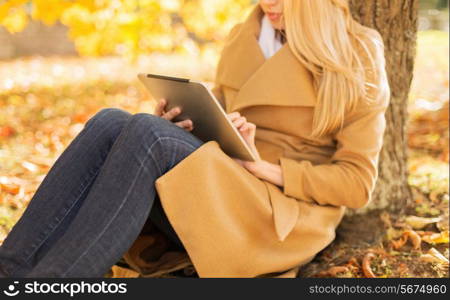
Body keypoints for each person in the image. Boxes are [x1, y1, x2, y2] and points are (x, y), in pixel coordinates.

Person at [0, 0, 390, 278]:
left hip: (280, 213)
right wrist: (184, 123)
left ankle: (55, 281)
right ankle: (9, 269)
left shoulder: (356, 51)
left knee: (148, 136)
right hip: (230, 179)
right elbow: (221, 118)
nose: (268, 4)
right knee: (111, 122)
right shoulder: (246, 35)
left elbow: (357, 184)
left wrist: (266, 169)